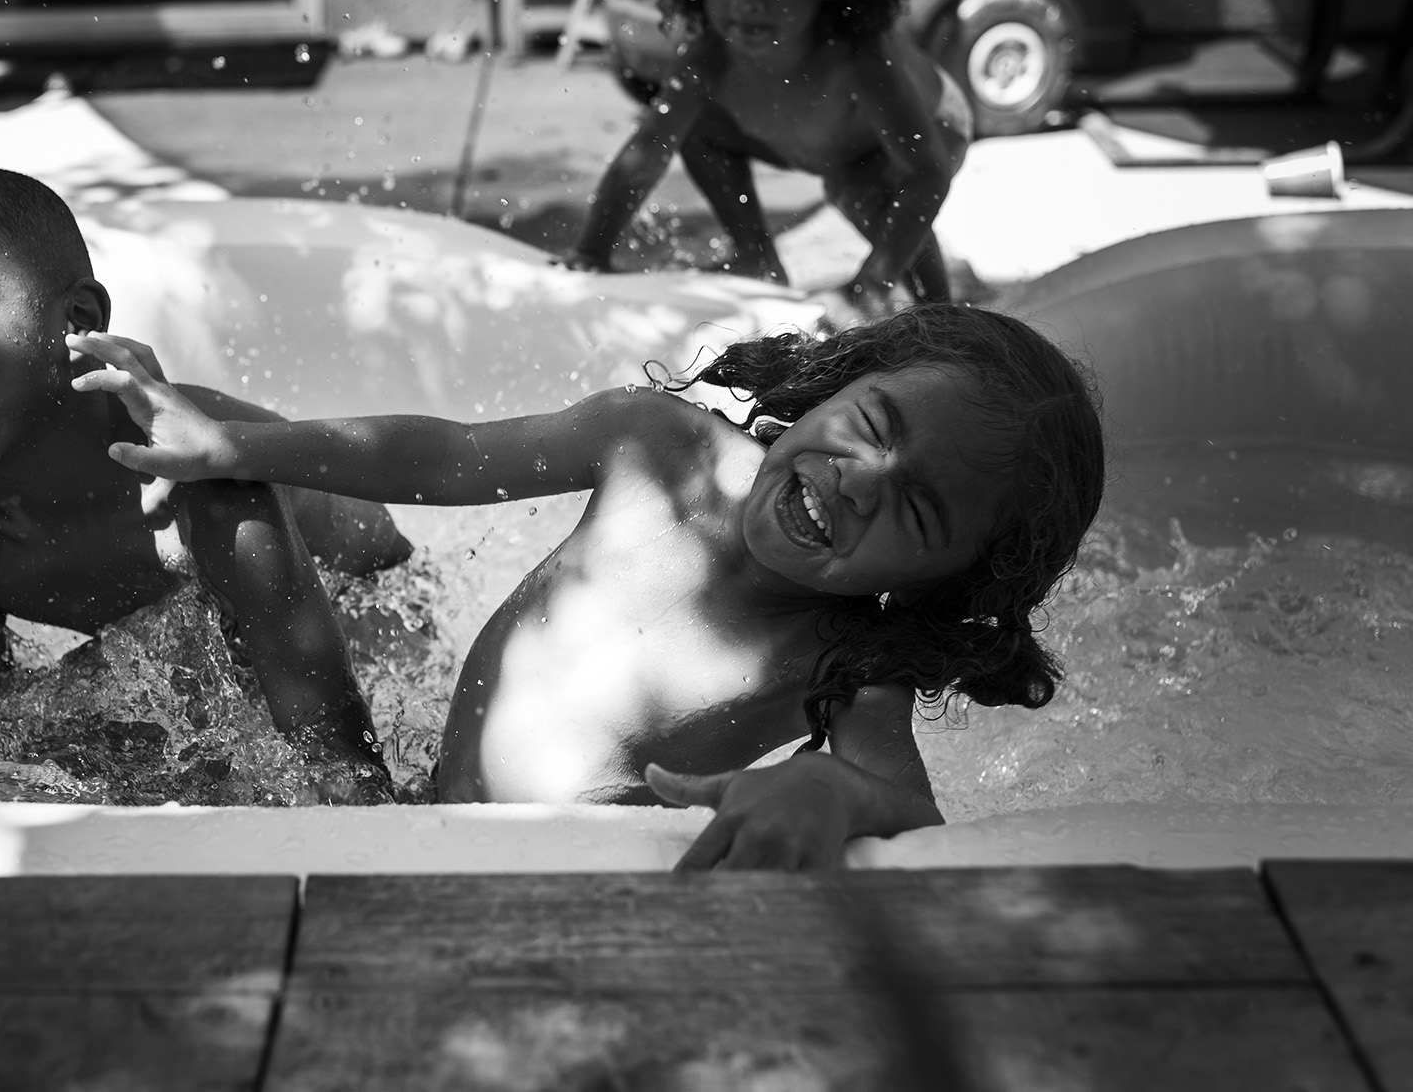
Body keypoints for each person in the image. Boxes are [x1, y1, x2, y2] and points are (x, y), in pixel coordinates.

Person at [69, 304, 1103, 868]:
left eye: (916, 513)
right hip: (380, 805)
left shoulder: (850, 654)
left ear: (936, 582)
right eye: (872, 425)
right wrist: (232, 440)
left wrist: (830, 781)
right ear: (841, 383)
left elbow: (904, 804)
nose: (858, 480)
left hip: (539, 880)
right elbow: (445, 454)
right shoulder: (656, 447)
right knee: (224, 486)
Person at [0, 167, 412, 794]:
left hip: (370, 598)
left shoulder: (201, 473)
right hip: (216, 630)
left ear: (77, 320)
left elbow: (338, 751)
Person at [567, 0, 971, 326]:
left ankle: (942, 310)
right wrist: (591, 254)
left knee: (866, 195)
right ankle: (759, 260)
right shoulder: (709, 54)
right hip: (822, 140)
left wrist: (868, 284)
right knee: (693, 128)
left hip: (931, 127)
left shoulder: (857, 56)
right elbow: (646, 152)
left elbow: (926, 171)